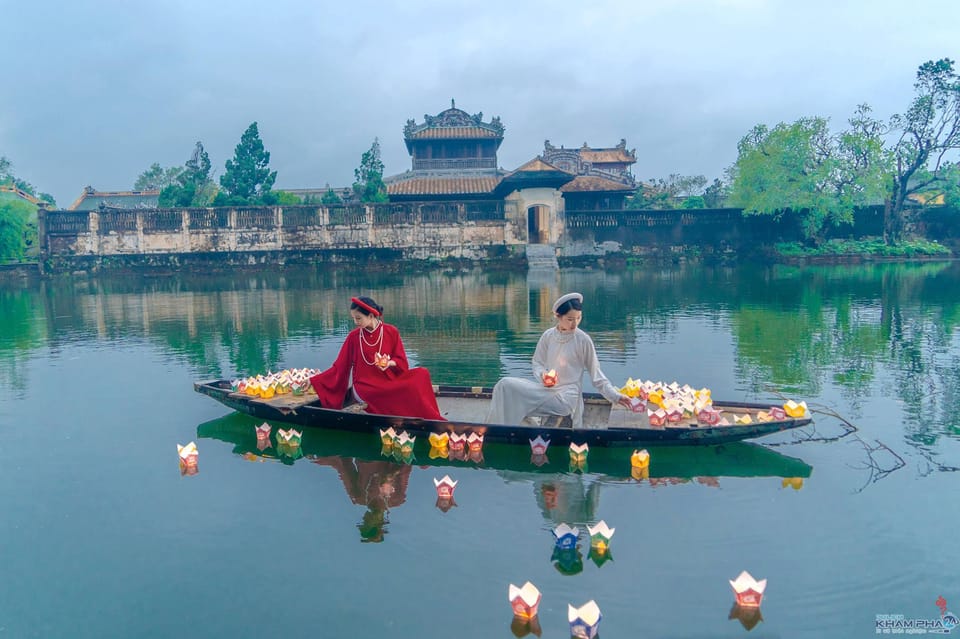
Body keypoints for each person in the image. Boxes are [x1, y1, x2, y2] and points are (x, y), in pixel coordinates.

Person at [485, 292, 631, 428]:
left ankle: (505, 427)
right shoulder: (548, 336)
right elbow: (537, 363)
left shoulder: (583, 340)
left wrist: (615, 396)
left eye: (578, 318)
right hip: (547, 389)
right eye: (570, 319)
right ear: (558, 316)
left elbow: (597, 376)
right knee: (504, 385)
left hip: (567, 397)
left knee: (514, 398)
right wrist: (543, 376)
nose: (575, 324)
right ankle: (497, 428)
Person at [309, 295, 445, 421]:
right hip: (365, 386)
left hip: (388, 379)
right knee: (389, 392)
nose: (355, 322)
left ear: (370, 315)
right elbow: (339, 367)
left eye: (358, 318)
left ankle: (428, 418)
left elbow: (402, 362)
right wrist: (313, 381)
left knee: (422, 374)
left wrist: (389, 363)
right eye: (354, 318)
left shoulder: (391, 331)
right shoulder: (354, 337)